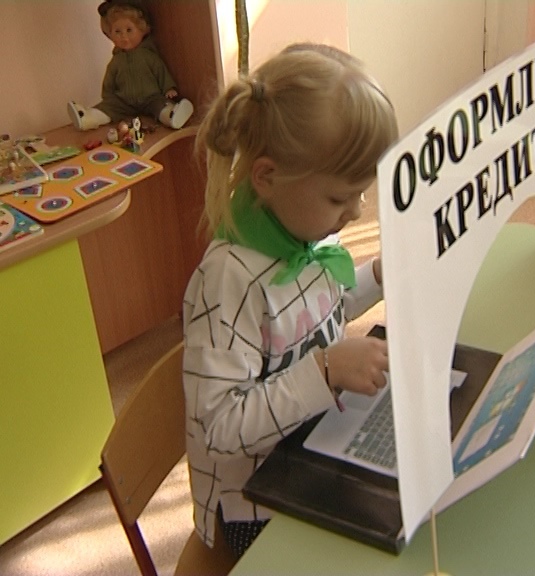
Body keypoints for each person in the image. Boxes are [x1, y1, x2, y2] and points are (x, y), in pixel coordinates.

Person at [182, 42, 399, 559]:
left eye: (361, 193)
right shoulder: (228, 280)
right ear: (268, 177)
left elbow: (313, 313)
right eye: (340, 197)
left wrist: (377, 276)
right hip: (254, 505)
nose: (356, 211)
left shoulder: (304, 229)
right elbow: (218, 428)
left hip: (313, 449)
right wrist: (325, 370)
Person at [67, 0, 193, 131]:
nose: (124, 36)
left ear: (142, 29)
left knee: (160, 105)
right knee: (108, 108)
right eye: (117, 31)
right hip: (124, 102)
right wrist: (109, 101)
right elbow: (108, 83)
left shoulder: (148, 56)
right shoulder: (116, 61)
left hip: (150, 98)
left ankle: (172, 115)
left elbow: (161, 72)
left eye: (129, 30)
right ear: (110, 34)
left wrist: (169, 88)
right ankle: (87, 118)